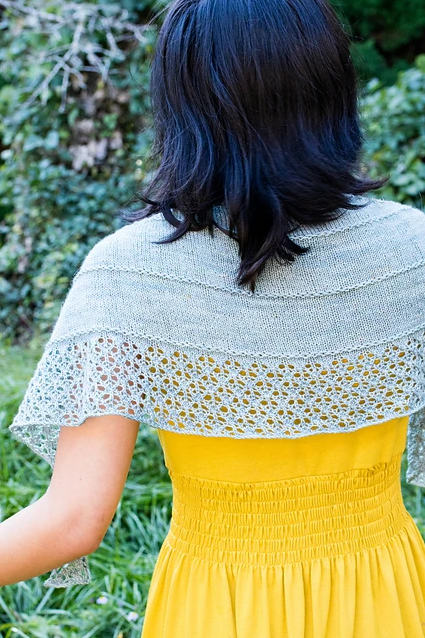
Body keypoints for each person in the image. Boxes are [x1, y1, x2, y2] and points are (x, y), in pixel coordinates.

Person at [3, 0, 425, 636]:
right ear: (332, 89)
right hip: (383, 598)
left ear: (182, 103)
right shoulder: (412, 251)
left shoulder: (126, 272)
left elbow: (72, 518)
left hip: (214, 607)